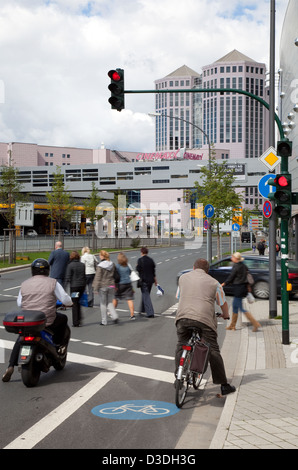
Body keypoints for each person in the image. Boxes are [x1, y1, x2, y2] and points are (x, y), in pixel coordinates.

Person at [2, 258, 72, 383]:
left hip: (28, 320)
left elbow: (19, 302)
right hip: (46, 320)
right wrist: (69, 303)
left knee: (21, 338)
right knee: (63, 318)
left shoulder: (24, 284)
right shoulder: (53, 282)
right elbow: (66, 300)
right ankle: (58, 346)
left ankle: (11, 366)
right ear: (47, 270)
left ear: (32, 271)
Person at [175, 258, 235, 397]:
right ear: (207, 271)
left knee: (181, 344)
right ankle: (224, 385)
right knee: (213, 349)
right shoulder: (214, 283)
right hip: (204, 320)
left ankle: (178, 376)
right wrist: (225, 315)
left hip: (183, 318)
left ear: (194, 267)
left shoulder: (183, 278)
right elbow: (223, 303)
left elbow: (179, 296)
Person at [222, 252, 261, 332]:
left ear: (236, 258)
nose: (231, 258)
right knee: (235, 306)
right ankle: (232, 326)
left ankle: (255, 323)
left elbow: (231, 277)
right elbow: (247, 276)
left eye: (232, 257)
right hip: (243, 288)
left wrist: (224, 283)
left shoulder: (236, 266)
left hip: (238, 289)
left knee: (241, 308)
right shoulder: (243, 265)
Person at [92, 250, 119, 325]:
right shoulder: (112, 264)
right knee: (110, 302)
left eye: (100, 255)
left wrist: (95, 288)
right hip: (111, 285)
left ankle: (104, 321)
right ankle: (114, 316)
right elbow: (115, 275)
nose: (99, 256)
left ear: (102, 256)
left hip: (103, 286)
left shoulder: (100, 266)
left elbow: (98, 277)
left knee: (103, 304)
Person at [64, 251, 86, 327]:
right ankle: (79, 318)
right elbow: (84, 276)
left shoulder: (70, 265)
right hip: (82, 286)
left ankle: (76, 321)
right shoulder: (82, 265)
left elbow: (67, 277)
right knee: (78, 302)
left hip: (74, 287)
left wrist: (64, 288)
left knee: (75, 303)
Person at [113, 252, 135, 321]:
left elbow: (115, 275)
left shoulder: (117, 266)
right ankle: (132, 315)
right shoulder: (127, 266)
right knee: (129, 299)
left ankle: (112, 312)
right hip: (128, 284)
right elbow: (130, 273)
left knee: (115, 298)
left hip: (120, 284)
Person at [136, 246, 157, 318]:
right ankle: (142, 309)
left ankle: (150, 312)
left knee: (146, 295)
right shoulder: (151, 260)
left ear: (141, 252)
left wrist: (137, 266)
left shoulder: (140, 260)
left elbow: (138, 269)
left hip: (144, 280)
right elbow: (153, 271)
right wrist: (155, 280)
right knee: (145, 294)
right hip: (150, 280)